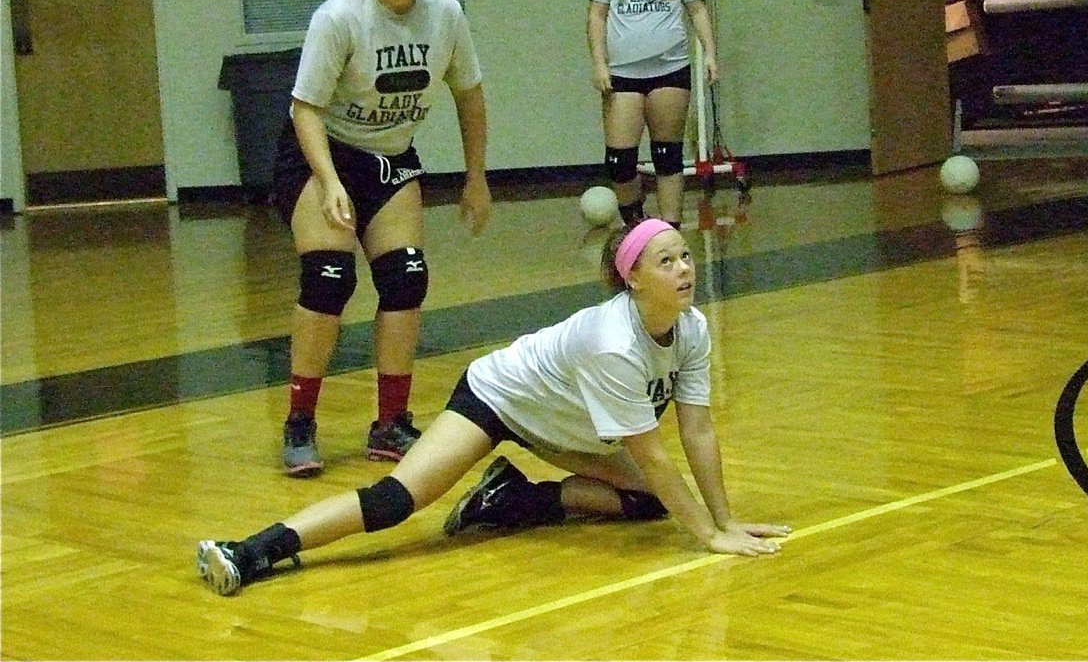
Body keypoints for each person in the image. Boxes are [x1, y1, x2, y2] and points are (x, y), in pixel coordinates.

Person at [197, 219, 790, 595]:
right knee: (397, 500)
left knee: (646, 504)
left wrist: (724, 519)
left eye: (685, 256)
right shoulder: (614, 344)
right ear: (631, 278)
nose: (685, 269)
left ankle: (514, 497)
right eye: (667, 261)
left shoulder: (690, 328)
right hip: (499, 396)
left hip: (560, 428)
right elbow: (658, 459)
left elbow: (698, 431)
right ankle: (252, 551)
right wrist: (708, 538)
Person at [271, 0, 491, 477]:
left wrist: (476, 177)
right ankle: (299, 422)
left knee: (406, 277)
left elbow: (469, 95)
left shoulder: (445, 14)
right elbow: (305, 108)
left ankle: (390, 423)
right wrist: (329, 181)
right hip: (322, 152)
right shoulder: (341, 16)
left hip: (390, 157)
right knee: (329, 278)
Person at [586, 0, 719, 228]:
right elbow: (596, 14)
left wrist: (710, 53)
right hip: (624, 73)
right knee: (620, 161)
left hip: (670, 68)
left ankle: (670, 231)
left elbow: (697, 8)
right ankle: (636, 226)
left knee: (667, 155)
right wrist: (599, 63)